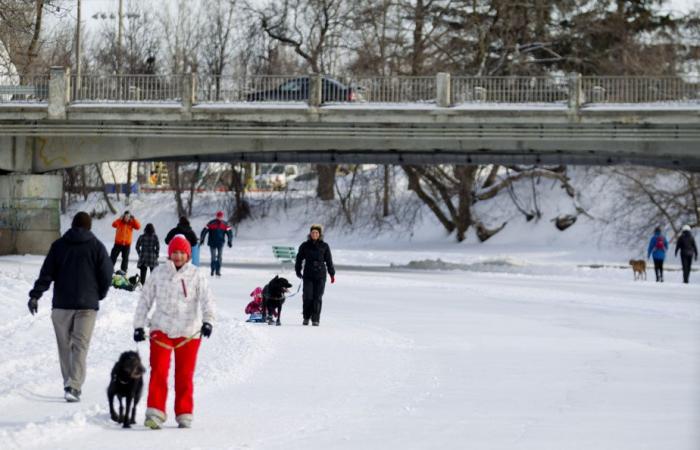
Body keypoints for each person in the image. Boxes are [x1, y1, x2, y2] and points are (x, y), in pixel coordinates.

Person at [27, 211, 113, 402]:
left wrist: (35, 295)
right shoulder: (97, 247)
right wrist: (100, 293)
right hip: (87, 307)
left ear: (72, 225)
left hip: (61, 306)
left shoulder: (58, 246)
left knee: (64, 347)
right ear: (89, 227)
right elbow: (107, 273)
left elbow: (46, 274)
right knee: (80, 346)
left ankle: (69, 383)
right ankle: (74, 386)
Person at [133, 235, 215, 429]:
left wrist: (208, 321)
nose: (178, 256)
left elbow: (207, 300)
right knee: (159, 371)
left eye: (182, 252)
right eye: (174, 252)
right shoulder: (158, 273)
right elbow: (145, 300)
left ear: (187, 254)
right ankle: (155, 412)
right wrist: (139, 325)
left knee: (184, 374)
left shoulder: (197, 274)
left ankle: (184, 412)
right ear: (169, 254)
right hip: (161, 329)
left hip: (188, 332)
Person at [295, 224, 335, 326]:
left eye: (316, 232)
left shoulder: (325, 246)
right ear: (310, 234)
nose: (314, 234)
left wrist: (332, 274)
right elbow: (299, 259)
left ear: (320, 234)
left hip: (321, 275)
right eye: (313, 232)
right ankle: (306, 317)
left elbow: (329, 261)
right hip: (308, 274)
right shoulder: (305, 245)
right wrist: (298, 270)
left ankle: (315, 319)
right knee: (308, 297)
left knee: (317, 297)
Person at [200, 211, 233, 277]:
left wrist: (229, 241)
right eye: (218, 216)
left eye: (221, 216)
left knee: (219, 257)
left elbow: (230, 233)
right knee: (213, 257)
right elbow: (204, 231)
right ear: (216, 216)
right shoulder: (211, 223)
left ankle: (218, 271)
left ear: (222, 217)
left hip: (220, 243)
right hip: (212, 243)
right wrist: (202, 239)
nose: (219, 218)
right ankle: (212, 270)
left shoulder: (225, 224)